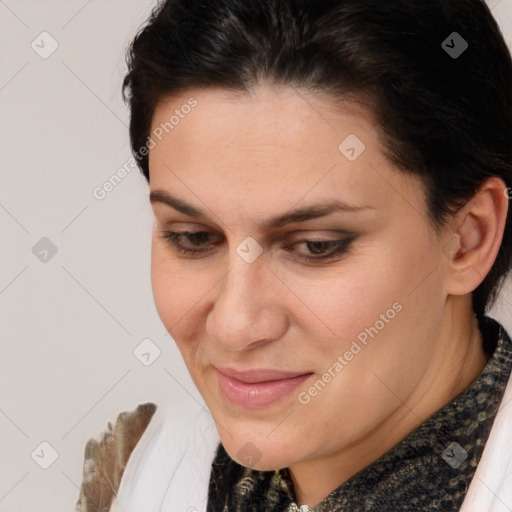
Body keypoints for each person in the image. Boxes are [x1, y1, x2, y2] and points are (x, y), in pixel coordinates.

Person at [75, 0, 512, 510]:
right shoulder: (141, 474)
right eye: (192, 237)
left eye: (315, 246)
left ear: (468, 239)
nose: (234, 326)